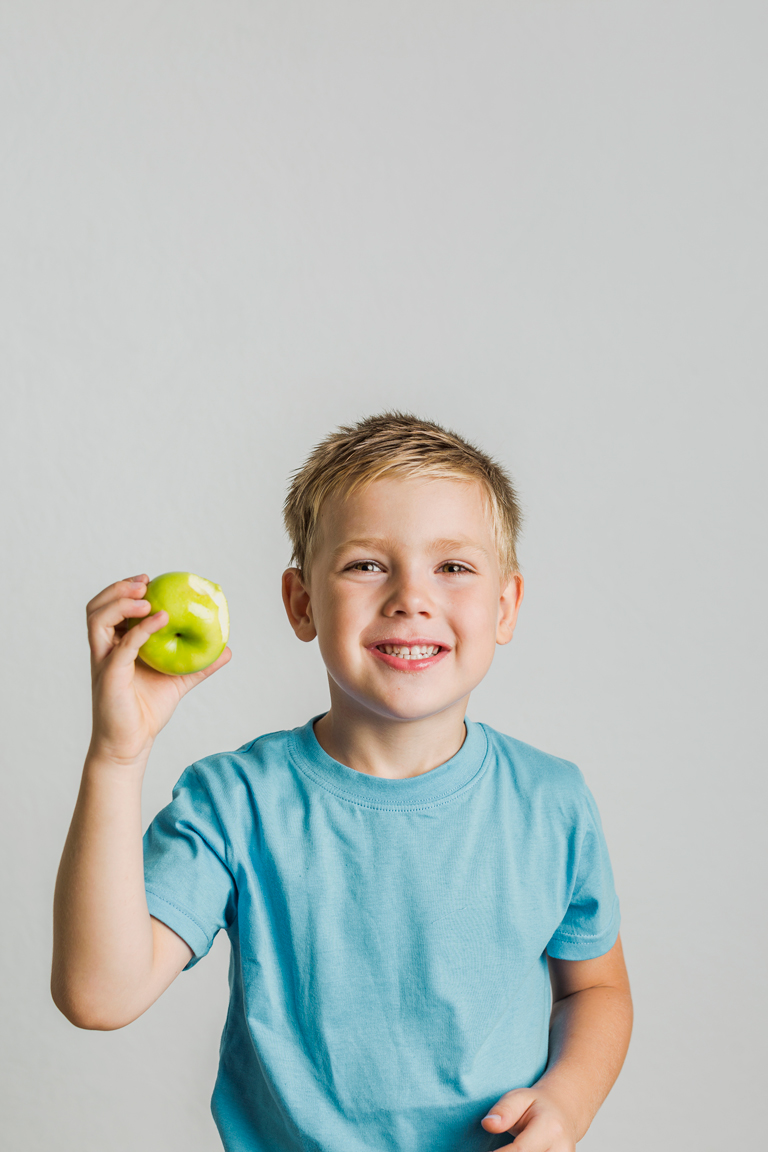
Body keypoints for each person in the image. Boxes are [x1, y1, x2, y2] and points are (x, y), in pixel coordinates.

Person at [51, 411, 632, 1152]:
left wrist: (568, 1103)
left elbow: (596, 989)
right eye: (366, 564)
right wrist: (116, 756)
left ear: (505, 605)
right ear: (300, 604)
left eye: (453, 567)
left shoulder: (552, 802)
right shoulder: (235, 803)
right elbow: (98, 995)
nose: (409, 598)